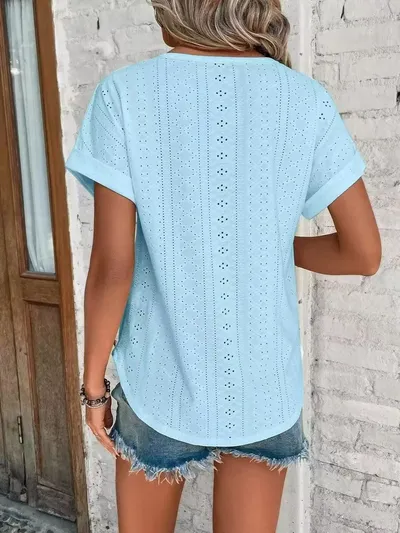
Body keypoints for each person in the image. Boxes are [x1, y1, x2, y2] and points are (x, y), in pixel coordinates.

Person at [65, 1, 381, 531]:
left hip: (158, 380)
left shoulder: (124, 95)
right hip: (265, 388)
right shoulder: (305, 99)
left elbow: (113, 266)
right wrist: (273, 246)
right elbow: (363, 253)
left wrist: (93, 387)